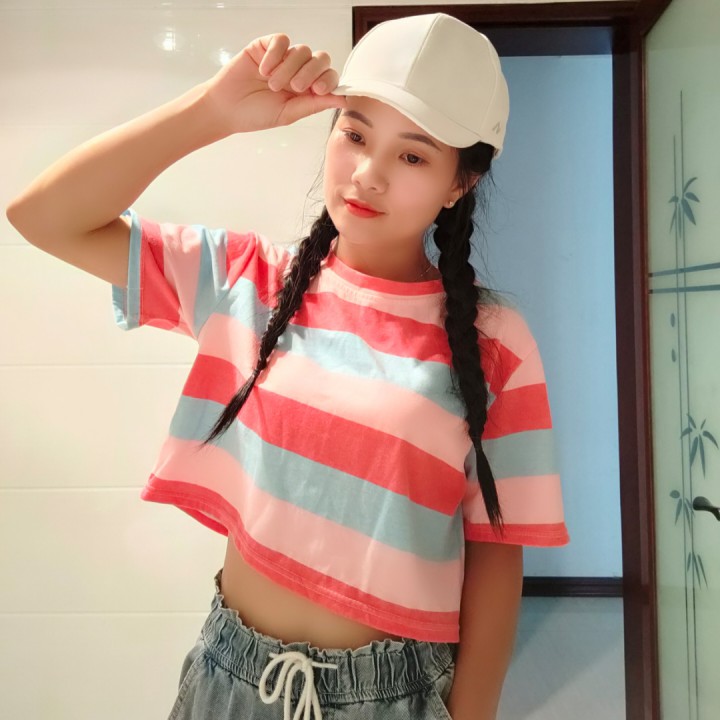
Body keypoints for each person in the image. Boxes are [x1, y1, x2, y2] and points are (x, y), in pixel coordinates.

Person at [6, 12, 570, 720]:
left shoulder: (495, 341)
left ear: (461, 182)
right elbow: (43, 216)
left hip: (390, 696)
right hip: (229, 679)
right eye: (355, 134)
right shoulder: (248, 280)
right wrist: (211, 111)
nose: (367, 175)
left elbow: (498, 549)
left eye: (413, 157)